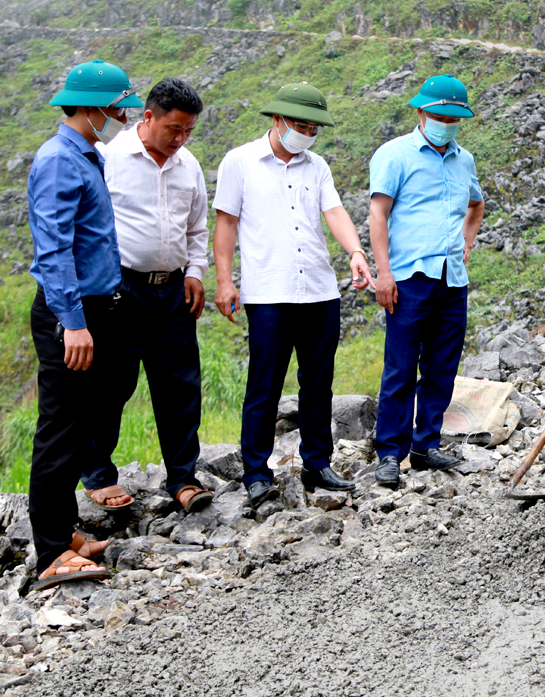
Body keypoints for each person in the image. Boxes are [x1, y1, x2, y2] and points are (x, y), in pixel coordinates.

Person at [213, 81, 374, 507]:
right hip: (269, 292)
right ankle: (256, 473)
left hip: (319, 289)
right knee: (264, 385)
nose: (307, 133)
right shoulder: (240, 162)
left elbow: (334, 211)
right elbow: (226, 224)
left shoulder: (316, 166)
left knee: (318, 383)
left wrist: (356, 252)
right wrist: (225, 280)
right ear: (278, 119)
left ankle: (317, 463)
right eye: (300, 125)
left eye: (314, 128)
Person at [27, 59, 142, 591]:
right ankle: (50, 551)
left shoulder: (86, 154)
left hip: (97, 306)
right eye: (117, 107)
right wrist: (72, 322)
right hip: (68, 312)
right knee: (61, 428)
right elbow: (53, 250)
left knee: (84, 420)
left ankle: (64, 531)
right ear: (93, 107)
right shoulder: (58, 161)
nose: (121, 115)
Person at [82, 78, 214, 515]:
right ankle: (99, 475)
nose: (180, 139)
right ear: (149, 117)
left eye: (189, 130)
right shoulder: (109, 157)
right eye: (174, 129)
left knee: (180, 386)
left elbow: (197, 227)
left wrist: (195, 273)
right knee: (111, 384)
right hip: (121, 291)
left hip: (172, 293)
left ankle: (182, 477)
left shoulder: (188, 164)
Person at [368, 74, 484, 490]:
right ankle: (389, 453)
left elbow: (476, 203)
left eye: (454, 117)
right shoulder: (394, 155)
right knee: (400, 366)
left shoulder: (464, 159)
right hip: (408, 277)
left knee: (441, 365)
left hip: (452, 277)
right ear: (421, 112)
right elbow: (378, 215)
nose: (446, 122)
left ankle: (426, 444)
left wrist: (467, 242)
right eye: (439, 115)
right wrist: (383, 272)